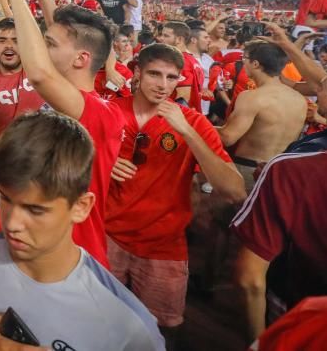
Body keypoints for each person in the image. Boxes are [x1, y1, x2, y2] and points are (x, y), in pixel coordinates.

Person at [0, 111, 164, 351]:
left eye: (35, 210)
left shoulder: (130, 327)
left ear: (80, 207)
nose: (13, 223)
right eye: (5, 198)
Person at [105, 43, 245, 345]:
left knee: (164, 328)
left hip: (163, 245)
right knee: (101, 318)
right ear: (138, 73)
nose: (163, 85)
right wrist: (103, 161)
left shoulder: (193, 122)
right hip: (108, 237)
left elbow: (233, 189)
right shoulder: (110, 111)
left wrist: (188, 132)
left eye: (172, 78)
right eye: (155, 74)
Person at [1, 0, 124, 268]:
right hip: (38, 246)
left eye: (49, 45)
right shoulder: (80, 101)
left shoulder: (101, 112)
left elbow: (41, 73)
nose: (40, 49)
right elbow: (65, 38)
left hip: (73, 258)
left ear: (82, 59)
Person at [232, 71, 327, 341]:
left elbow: (249, 276)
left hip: (302, 317)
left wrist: (260, 343)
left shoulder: (293, 172)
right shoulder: (296, 105)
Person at [219, 41, 308, 190]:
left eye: (244, 59)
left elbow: (228, 137)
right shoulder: (299, 99)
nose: (243, 63)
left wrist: (196, 124)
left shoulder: (252, 97)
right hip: (278, 172)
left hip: (247, 170)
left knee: (233, 213)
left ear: (255, 64)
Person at [157, 20, 205, 113]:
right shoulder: (192, 59)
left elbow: (183, 97)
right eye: (161, 35)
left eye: (166, 36)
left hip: (178, 117)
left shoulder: (181, 61)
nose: (161, 38)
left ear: (179, 39)